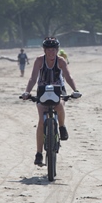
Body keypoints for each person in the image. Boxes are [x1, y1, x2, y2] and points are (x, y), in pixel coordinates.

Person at [21, 37, 80, 166]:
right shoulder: (39, 60)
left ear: (57, 50)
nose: (51, 53)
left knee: (59, 106)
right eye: (48, 50)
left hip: (59, 90)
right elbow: (33, 78)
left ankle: (62, 127)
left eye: (54, 50)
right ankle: (39, 153)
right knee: (42, 120)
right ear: (45, 50)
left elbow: (68, 76)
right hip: (42, 90)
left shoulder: (61, 61)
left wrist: (75, 89)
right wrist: (27, 92)